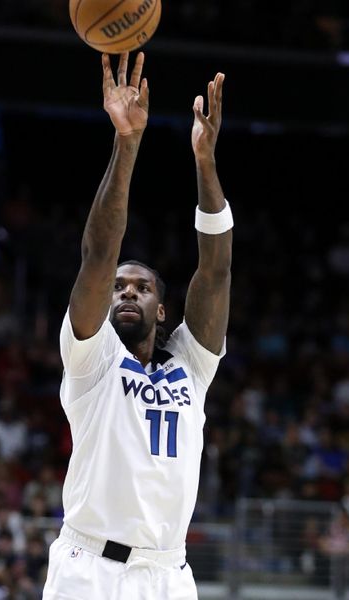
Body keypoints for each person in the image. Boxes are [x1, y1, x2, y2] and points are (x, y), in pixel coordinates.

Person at [43, 52, 232, 599]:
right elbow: (99, 254)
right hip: (88, 569)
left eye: (143, 287)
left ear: (163, 309)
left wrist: (204, 161)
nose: (127, 291)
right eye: (120, 287)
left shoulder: (192, 368)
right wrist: (127, 142)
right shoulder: (92, 359)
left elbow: (216, 270)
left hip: (168, 575)